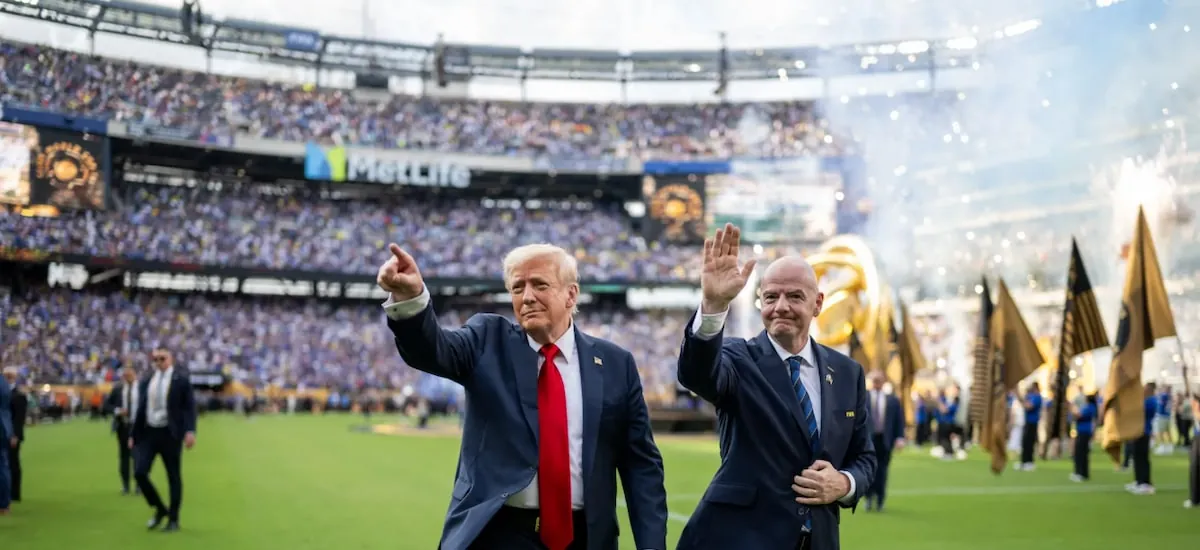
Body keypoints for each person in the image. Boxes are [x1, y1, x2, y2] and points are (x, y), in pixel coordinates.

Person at [377, 242, 668, 550]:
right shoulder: (487, 340)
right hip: (500, 534)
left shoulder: (615, 364)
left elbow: (641, 467)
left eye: (540, 284)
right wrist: (410, 300)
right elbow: (432, 350)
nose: (527, 297)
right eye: (517, 288)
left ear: (571, 294)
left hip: (586, 537)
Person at [673, 224, 876, 550]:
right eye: (770, 297)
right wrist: (712, 305)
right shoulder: (737, 359)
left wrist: (844, 483)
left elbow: (864, 457)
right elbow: (696, 375)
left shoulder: (848, 373)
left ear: (818, 303)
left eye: (794, 296)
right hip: (742, 539)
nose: (780, 306)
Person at [130, 349, 197, 531]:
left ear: (171, 359)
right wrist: (133, 435)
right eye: (156, 359)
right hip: (149, 432)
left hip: (170, 433)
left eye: (162, 359)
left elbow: (189, 406)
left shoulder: (180, 380)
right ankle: (160, 508)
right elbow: (141, 409)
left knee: (173, 476)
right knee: (139, 472)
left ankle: (173, 519)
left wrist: (190, 431)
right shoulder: (148, 380)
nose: (159, 362)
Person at [864, 371, 904, 512]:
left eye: (879, 380)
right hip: (868, 440)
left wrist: (900, 438)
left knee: (883, 471)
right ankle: (868, 497)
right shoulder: (864, 398)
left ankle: (880, 499)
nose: (877, 383)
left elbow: (899, 420)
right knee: (868, 469)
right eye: (875, 380)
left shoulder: (892, 400)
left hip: (885, 440)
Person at [106, 367, 140, 494]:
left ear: (135, 374)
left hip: (138, 427)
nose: (128, 377)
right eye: (126, 375)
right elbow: (107, 405)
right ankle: (125, 485)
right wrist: (118, 411)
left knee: (138, 456)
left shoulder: (142, 388)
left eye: (130, 374)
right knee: (124, 456)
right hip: (123, 426)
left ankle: (139, 485)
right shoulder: (118, 388)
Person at [1126, 382, 1157, 495]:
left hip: (1144, 432)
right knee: (1137, 457)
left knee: (1142, 457)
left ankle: (1145, 483)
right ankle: (1139, 481)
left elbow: (1138, 411)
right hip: (1138, 432)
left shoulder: (1151, 401)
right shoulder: (1145, 400)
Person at [2, 368, 25, 503]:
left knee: (13, 463)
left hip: (12, 434)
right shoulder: (5, 394)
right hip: (3, 432)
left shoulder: (18, 395)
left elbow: (19, 419)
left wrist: (15, 435)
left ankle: (15, 493)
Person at [1069, 393, 1098, 482]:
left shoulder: (1090, 407)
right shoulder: (1087, 406)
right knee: (1079, 453)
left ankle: (1082, 473)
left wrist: (1072, 409)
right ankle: (1079, 472)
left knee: (1082, 453)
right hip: (1081, 432)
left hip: (1084, 432)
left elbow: (1079, 415)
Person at [1017, 383, 1043, 471]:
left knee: (1030, 442)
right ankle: (1024, 461)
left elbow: (1028, 406)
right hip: (1027, 421)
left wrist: (1025, 403)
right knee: (1025, 442)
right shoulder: (1030, 395)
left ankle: (1029, 462)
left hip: (1033, 422)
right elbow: (1023, 402)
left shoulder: (1037, 397)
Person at [0, 371, 12, 515]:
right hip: (4, 425)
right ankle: (4, 503)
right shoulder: (3, 382)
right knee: (3, 465)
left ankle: (3, 503)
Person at [1185, 392, 1199, 509]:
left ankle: (1195, 499)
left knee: (1195, 468)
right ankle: (1195, 498)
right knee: (1195, 468)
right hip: (1197, 437)